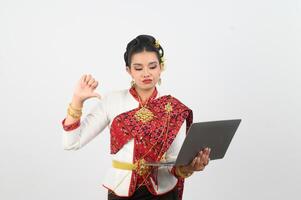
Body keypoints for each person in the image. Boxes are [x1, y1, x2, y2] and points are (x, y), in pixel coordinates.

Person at [61, 34, 211, 200]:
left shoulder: (174, 108)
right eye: (138, 68)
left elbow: (175, 165)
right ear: (129, 70)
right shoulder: (112, 101)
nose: (146, 73)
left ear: (161, 67)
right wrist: (77, 100)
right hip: (121, 191)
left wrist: (190, 167)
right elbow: (71, 142)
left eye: (152, 66)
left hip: (164, 193)